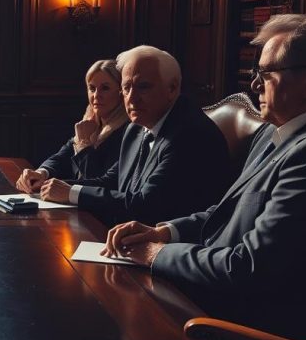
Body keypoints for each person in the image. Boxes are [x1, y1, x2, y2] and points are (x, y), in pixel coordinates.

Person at [103, 15, 306, 340]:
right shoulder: (277, 131)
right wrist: (165, 231)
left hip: (277, 333)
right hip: (226, 302)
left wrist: (157, 254)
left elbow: (250, 268)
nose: (255, 84)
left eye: (266, 73)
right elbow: (231, 211)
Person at [38, 46, 230, 226]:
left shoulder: (188, 135)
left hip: (170, 245)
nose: (132, 98)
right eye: (127, 87)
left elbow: (144, 206)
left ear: (172, 88)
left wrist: (72, 193)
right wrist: (48, 186)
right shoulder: (137, 128)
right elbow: (110, 182)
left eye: (143, 87)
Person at [17, 59, 128, 190]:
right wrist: (41, 173)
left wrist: (85, 143)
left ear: (121, 92)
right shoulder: (91, 119)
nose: (96, 95)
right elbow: (61, 157)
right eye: (92, 88)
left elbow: (96, 181)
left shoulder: (128, 129)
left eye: (105, 88)